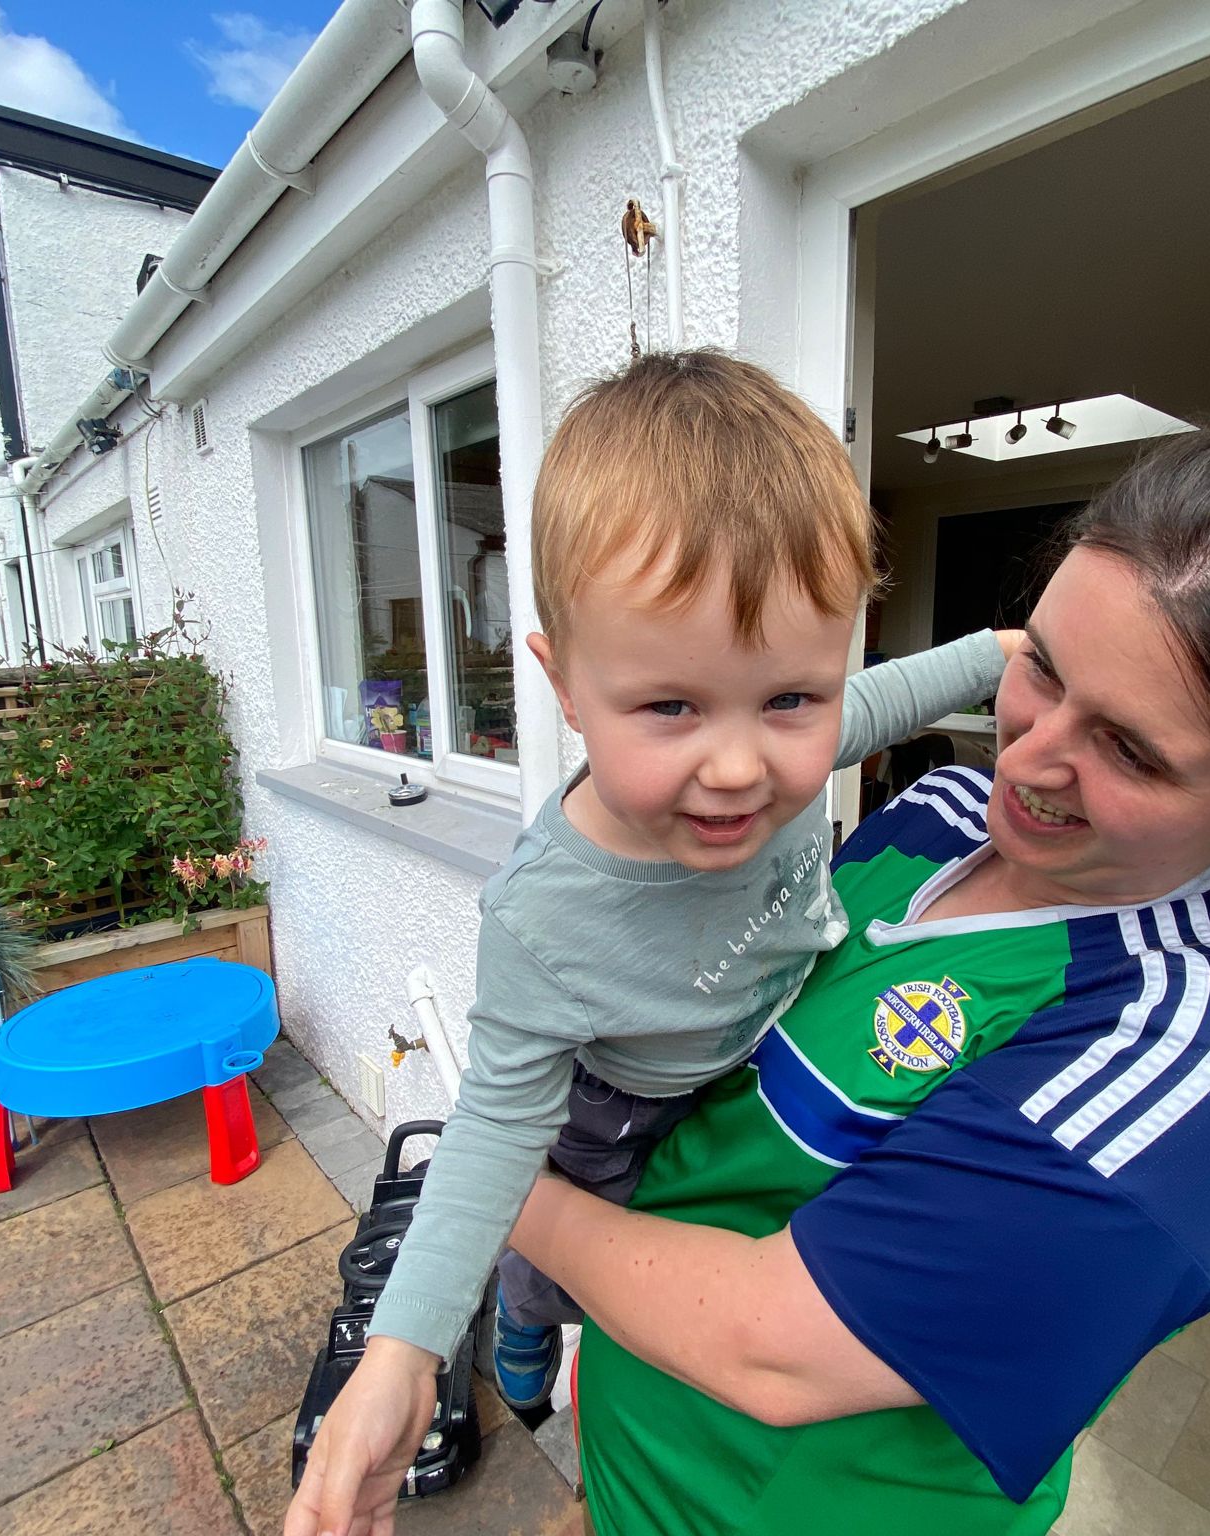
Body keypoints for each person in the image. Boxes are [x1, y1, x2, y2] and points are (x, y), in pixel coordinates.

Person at [499, 415, 1210, 1535]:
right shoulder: (933, 814)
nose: (1025, 757)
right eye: (1043, 670)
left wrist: (494, 1190)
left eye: (1130, 749)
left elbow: (772, 1349)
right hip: (632, 1465)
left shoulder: (1188, 1052)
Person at [285, 351, 1021, 1536]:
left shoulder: (795, 744)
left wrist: (1002, 654)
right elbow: (490, 1139)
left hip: (759, 1042)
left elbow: (877, 702)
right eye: (669, 707)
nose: (738, 768)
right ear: (564, 685)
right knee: (565, 1257)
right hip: (618, 1107)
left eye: (788, 699)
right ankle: (522, 1321)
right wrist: (401, 1351)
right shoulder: (545, 916)